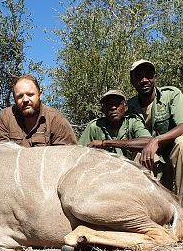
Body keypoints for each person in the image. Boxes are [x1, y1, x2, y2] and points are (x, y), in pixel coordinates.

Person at [128, 59, 183, 201]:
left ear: (155, 77)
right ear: (132, 81)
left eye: (148, 75)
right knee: (138, 155)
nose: (144, 80)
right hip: (150, 160)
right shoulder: (128, 107)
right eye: (139, 76)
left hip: (172, 156)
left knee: (181, 144)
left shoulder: (171, 94)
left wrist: (156, 140)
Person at [0, 74, 77, 147]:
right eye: (20, 96)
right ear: (14, 99)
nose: (25, 99)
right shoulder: (5, 117)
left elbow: (67, 155)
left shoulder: (55, 119)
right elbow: (1, 154)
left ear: (40, 95)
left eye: (30, 94)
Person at [78, 89, 151, 159]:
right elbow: (79, 152)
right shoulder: (95, 126)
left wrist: (105, 143)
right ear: (103, 110)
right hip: (104, 168)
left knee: (148, 154)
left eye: (117, 104)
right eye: (108, 105)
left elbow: (148, 141)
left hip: (131, 167)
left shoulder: (133, 122)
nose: (113, 108)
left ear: (125, 108)